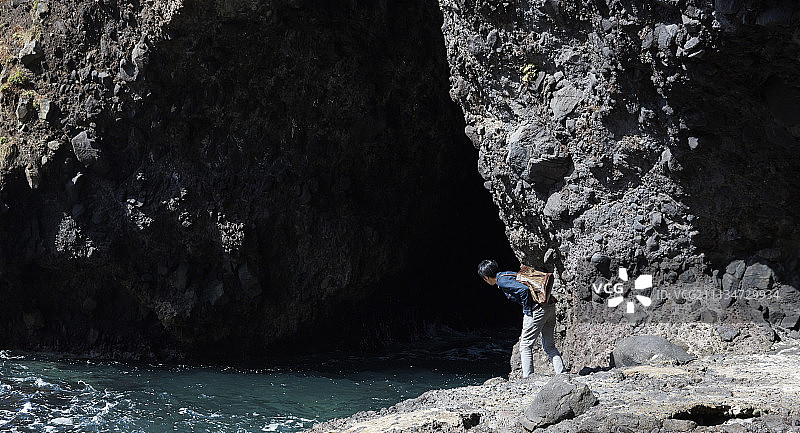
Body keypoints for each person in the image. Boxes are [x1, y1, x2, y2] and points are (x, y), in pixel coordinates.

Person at [478, 259, 565, 377]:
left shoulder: (502, 281)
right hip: (549, 306)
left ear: (486, 277)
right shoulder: (507, 274)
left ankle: (528, 377)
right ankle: (561, 373)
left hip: (537, 310)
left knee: (525, 345)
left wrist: (527, 310)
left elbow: (524, 290)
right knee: (549, 345)